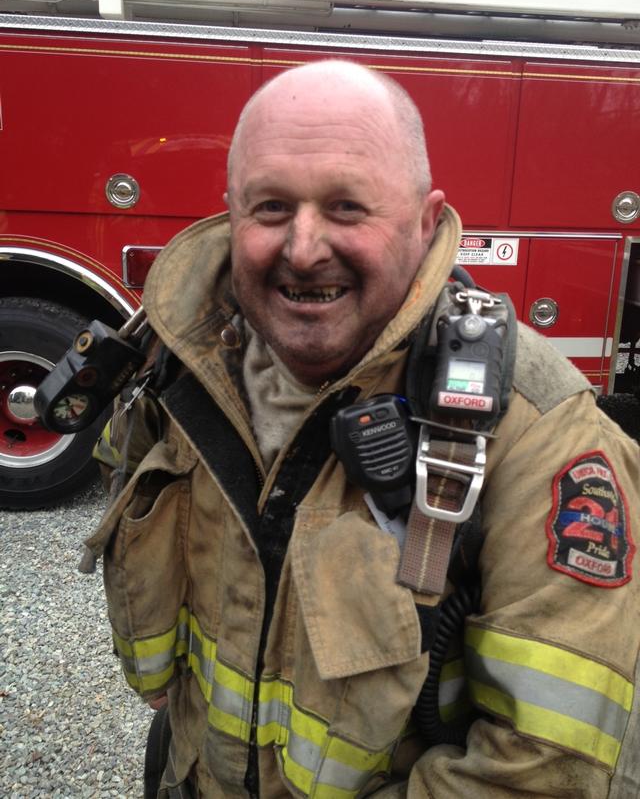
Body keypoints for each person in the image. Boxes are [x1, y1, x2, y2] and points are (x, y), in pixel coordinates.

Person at [88, 60, 640, 798]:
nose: (304, 246)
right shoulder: (183, 361)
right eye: (271, 207)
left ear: (422, 219)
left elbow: (543, 774)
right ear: (231, 210)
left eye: (347, 207)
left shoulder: (541, 434)